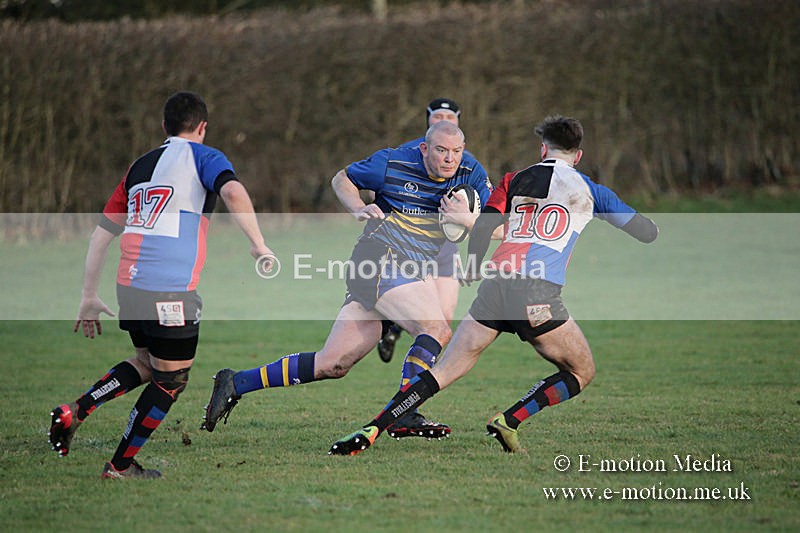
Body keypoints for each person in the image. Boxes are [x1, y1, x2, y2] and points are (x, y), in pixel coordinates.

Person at [329, 115, 659, 456]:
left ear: (542, 148)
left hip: (495, 288)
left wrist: (472, 261)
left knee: (443, 372)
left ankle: (372, 430)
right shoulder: (591, 190)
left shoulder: (513, 179)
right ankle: (510, 420)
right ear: (577, 156)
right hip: (536, 293)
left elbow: (484, 226)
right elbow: (645, 232)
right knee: (581, 370)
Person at [201, 120, 492, 440]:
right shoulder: (393, 162)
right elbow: (342, 178)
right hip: (380, 257)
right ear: (425, 148)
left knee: (333, 364)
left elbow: (500, 225)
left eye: (456, 151)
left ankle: (236, 382)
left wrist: (470, 221)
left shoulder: (471, 172)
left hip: (407, 270)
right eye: (440, 150)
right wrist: (357, 207)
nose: (449, 158)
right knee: (435, 328)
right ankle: (404, 411)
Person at [47, 91, 275, 479]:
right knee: (172, 380)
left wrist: (88, 294)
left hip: (128, 287)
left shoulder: (139, 166)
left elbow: (101, 235)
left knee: (148, 365)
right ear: (202, 127)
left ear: (163, 127)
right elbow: (233, 190)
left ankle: (75, 412)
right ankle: (119, 466)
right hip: (168, 290)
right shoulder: (204, 156)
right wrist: (258, 243)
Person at [375, 97, 494, 368]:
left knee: (445, 317)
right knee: (432, 326)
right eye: (437, 116)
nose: (444, 121)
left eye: (450, 118)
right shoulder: (410, 153)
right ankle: (410, 390)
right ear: (428, 121)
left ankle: (393, 329)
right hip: (410, 246)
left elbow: (488, 220)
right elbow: (381, 187)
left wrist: (471, 246)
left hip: (446, 246)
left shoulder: (469, 165)